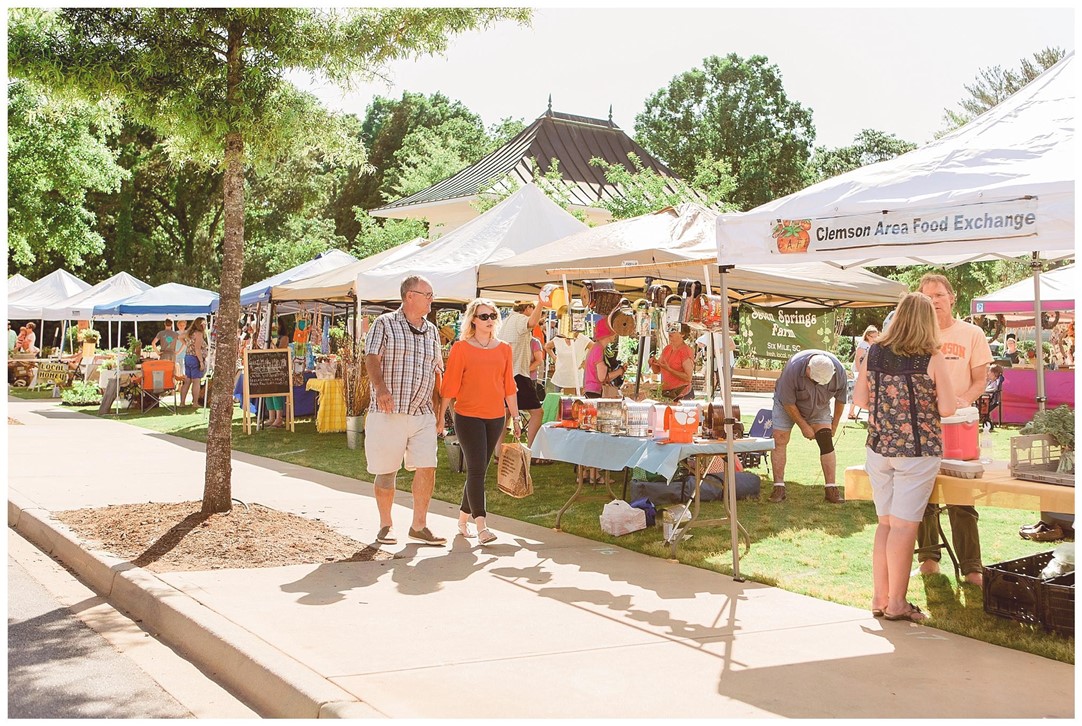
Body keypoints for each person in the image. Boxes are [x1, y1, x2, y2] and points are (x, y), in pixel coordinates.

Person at [853, 292, 956, 623]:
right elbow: (948, 408)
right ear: (927, 322)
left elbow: (860, 399)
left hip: (878, 447)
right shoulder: (931, 357)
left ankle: (879, 597)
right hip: (916, 451)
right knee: (903, 527)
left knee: (885, 524)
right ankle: (896, 602)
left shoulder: (875, 352)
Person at [915, 273, 993, 587]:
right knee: (923, 492)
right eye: (926, 296)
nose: (933, 301)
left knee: (962, 496)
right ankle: (929, 558)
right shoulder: (916, 336)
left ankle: (972, 566)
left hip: (959, 425)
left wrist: (963, 400)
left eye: (938, 295)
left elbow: (980, 380)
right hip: (923, 424)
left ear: (951, 298)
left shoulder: (972, 334)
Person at [364, 275, 446, 547]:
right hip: (390, 409)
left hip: (422, 411)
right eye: (428, 294)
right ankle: (386, 525)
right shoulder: (385, 324)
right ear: (410, 296)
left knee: (428, 466)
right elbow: (372, 356)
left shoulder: (432, 331)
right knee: (387, 469)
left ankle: (419, 525)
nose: (431, 300)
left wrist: (439, 409)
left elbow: (436, 371)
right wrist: (380, 388)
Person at [438, 298, 521, 546]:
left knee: (479, 471)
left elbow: (509, 386)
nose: (489, 320)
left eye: (493, 316)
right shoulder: (461, 348)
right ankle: (482, 525)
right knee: (475, 470)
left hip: (495, 416)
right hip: (468, 416)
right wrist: (441, 418)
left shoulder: (504, 348)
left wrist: (516, 417)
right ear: (473, 319)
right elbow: (450, 385)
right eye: (484, 316)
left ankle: (462, 518)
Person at [769, 349, 848, 504]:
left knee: (826, 441)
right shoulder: (792, 369)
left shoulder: (838, 371)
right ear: (808, 369)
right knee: (780, 439)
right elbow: (788, 403)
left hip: (819, 406)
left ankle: (831, 488)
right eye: (815, 380)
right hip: (786, 404)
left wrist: (835, 424)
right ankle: (779, 486)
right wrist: (804, 426)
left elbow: (840, 400)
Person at [497, 298, 546, 450]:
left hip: (504, 374)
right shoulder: (521, 319)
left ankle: (498, 452)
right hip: (518, 373)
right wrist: (541, 303)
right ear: (528, 308)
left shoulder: (505, 321)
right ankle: (531, 449)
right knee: (537, 413)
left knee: (505, 415)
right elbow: (532, 322)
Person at [649, 324, 694, 400]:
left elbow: (688, 378)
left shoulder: (685, 351)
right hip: (667, 393)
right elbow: (657, 371)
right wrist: (653, 363)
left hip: (681, 394)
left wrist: (669, 369)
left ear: (682, 334)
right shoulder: (667, 348)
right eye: (670, 330)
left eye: (674, 331)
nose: (670, 333)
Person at [583, 318, 623, 398]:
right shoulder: (598, 349)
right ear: (608, 333)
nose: (616, 334)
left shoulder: (597, 347)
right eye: (614, 331)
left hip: (591, 390)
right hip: (593, 392)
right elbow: (602, 377)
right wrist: (619, 371)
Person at [848, 325, 879, 420]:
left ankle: (852, 412)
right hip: (859, 370)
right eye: (873, 336)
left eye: (876, 336)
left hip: (866, 370)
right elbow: (858, 359)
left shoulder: (871, 345)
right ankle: (851, 412)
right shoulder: (863, 345)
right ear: (868, 336)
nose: (876, 338)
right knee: (857, 390)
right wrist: (860, 371)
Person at [264, 326, 290, 428]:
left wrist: (272, 345)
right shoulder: (267, 337)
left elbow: (281, 351)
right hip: (267, 367)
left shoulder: (284, 338)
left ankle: (279, 418)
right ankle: (271, 417)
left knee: (276, 392)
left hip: (279, 368)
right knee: (267, 393)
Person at [181, 317, 207, 408]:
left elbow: (180, 337)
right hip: (195, 358)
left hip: (187, 357)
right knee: (196, 381)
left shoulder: (189, 333)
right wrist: (201, 362)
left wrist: (187, 345)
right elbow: (197, 349)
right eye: (204, 324)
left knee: (187, 381)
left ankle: (182, 403)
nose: (205, 325)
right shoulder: (198, 334)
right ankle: (195, 403)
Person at [174, 319, 189, 391]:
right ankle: (176, 385)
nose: (182, 326)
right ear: (177, 325)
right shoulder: (175, 333)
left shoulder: (187, 333)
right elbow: (168, 340)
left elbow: (185, 343)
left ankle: (182, 386)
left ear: (185, 325)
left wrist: (179, 351)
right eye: (180, 325)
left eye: (183, 325)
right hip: (176, 354)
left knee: (183, 370)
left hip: (185, 354)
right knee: (177, 370)